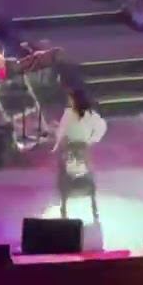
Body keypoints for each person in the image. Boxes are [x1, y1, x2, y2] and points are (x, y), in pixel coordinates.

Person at [54, 88, 107, 221]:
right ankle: (91, 202)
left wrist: (59, 140)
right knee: (85, 167)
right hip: (83, 150)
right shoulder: (91, 114)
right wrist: (90, 141)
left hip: (71, 150)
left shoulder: (68, 114)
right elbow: (102, 127)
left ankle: (64, 201)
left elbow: (61, 132)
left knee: (64, 168)